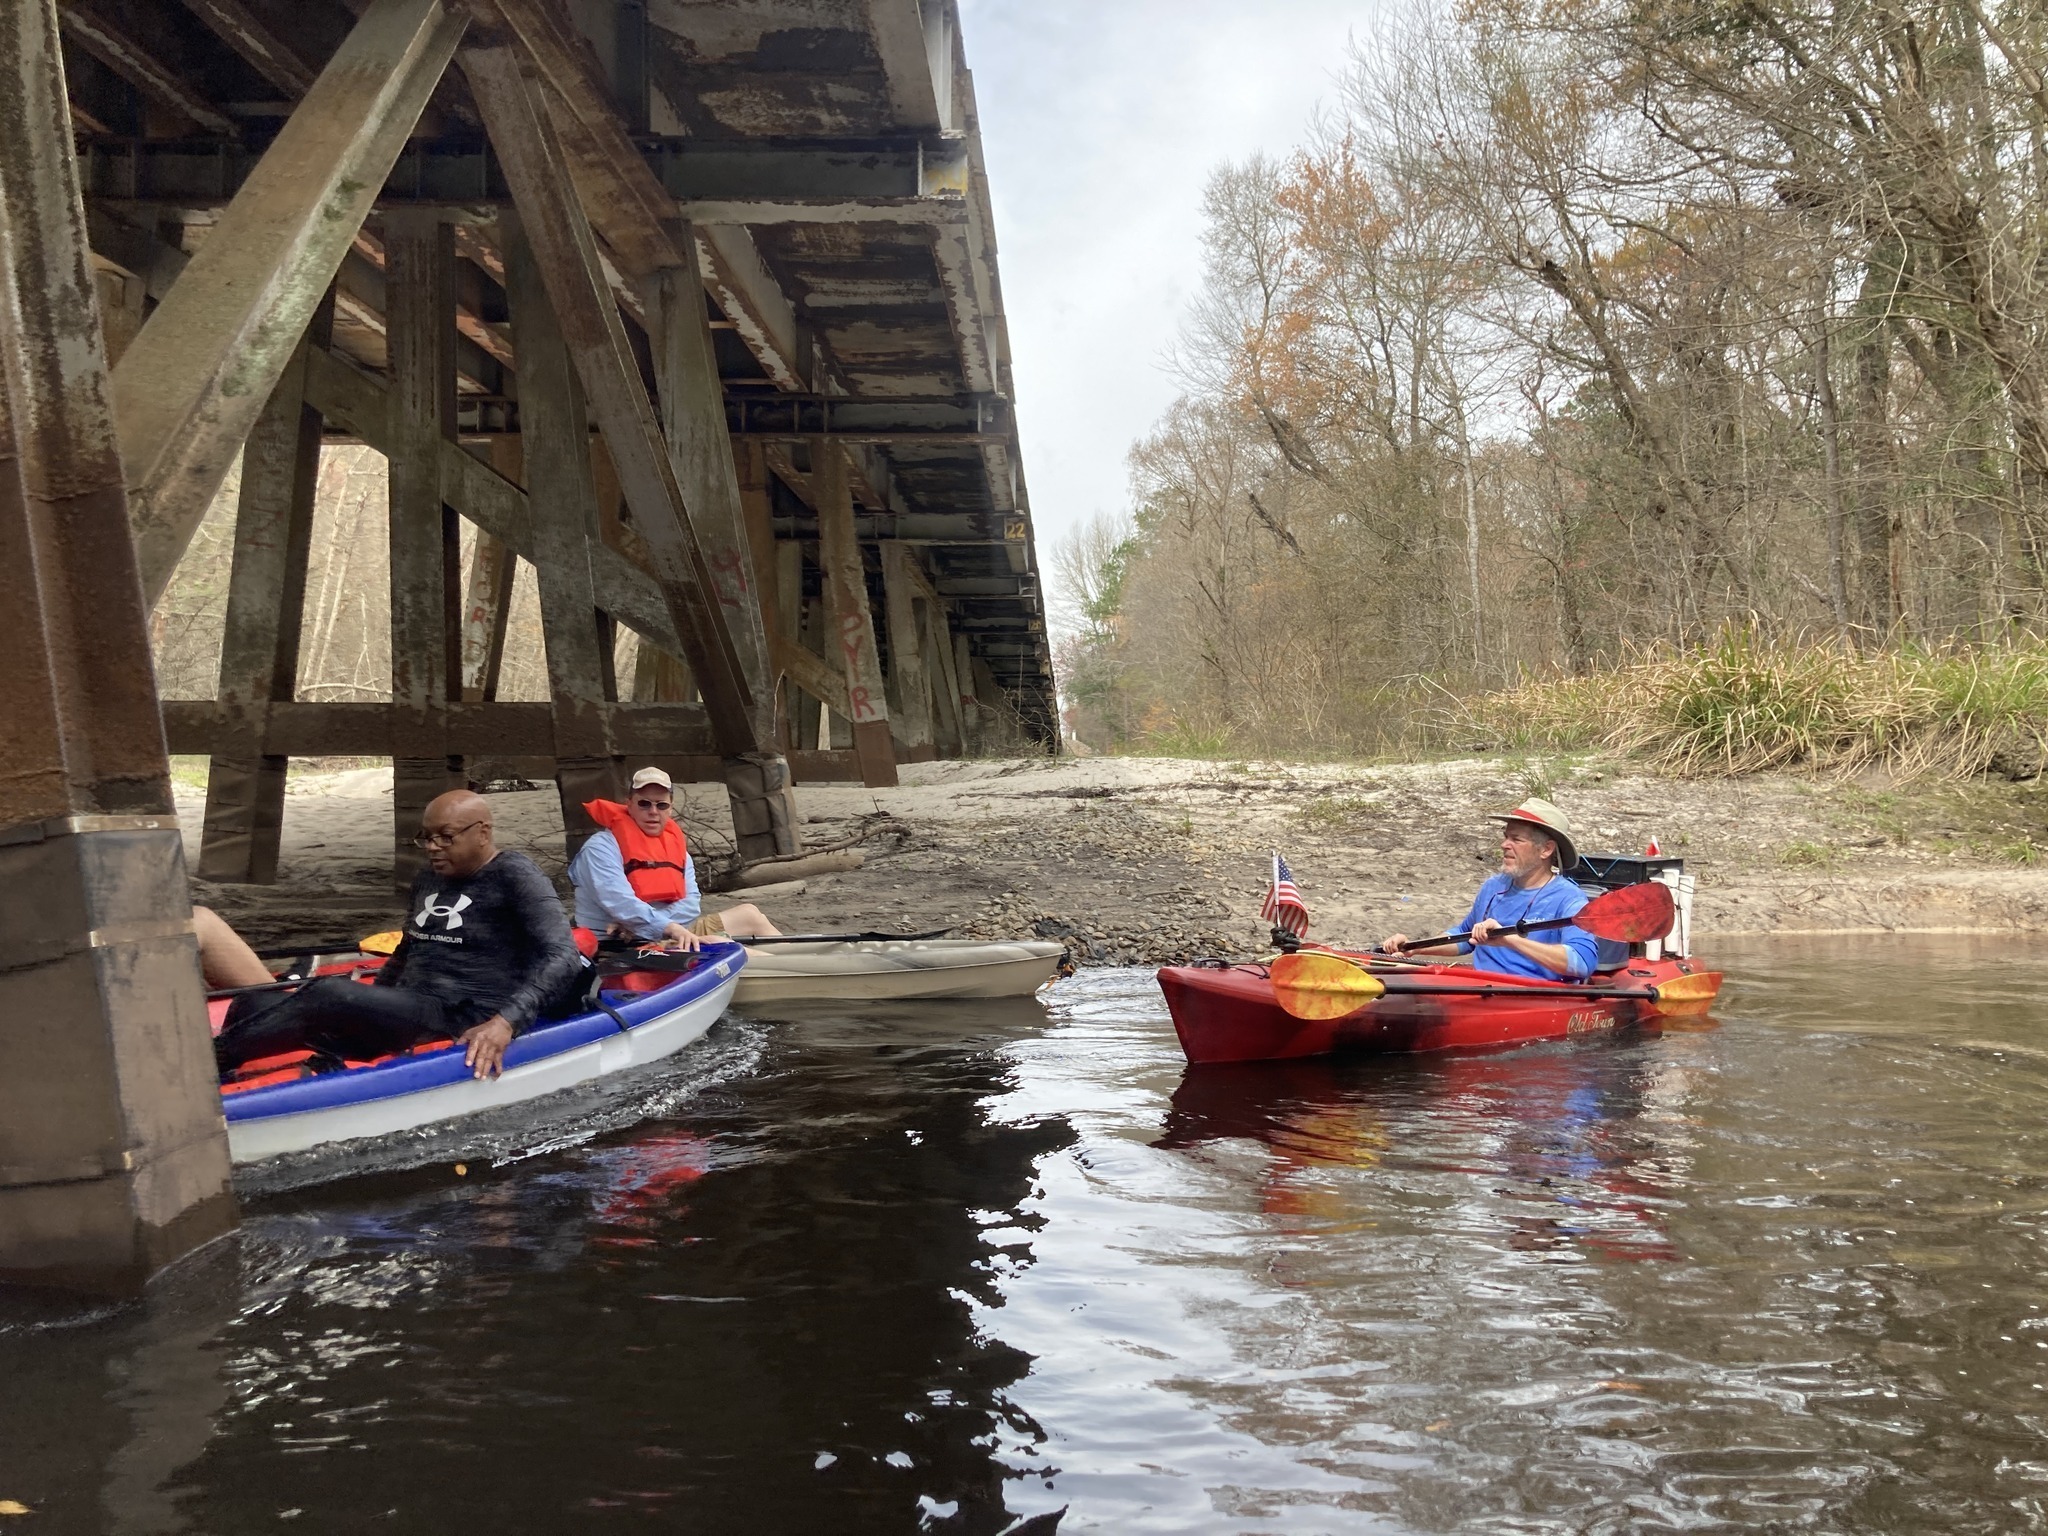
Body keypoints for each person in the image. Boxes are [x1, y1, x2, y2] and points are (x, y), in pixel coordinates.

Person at [213, 790, 588, 1081]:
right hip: (408, 1006)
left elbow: (562, 955)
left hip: (460, 1014)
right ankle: (242, 1071)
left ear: (483, 833)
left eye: (446, 837)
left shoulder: (515, 875)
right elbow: (408, 949)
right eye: (426, 838)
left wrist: (505, 1022)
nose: (433, 848)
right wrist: (369, 1002)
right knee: (251, 1003)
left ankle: (209, 1063)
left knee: (329, 993)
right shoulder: (429, 878)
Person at [1383, 797, 1599, 981]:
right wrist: (1414, 947)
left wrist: (1509, 940)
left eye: (1516, 839)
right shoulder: (1493, 887)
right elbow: (1464, 937)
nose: (1504, 845)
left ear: (1546, 849)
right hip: (1484, 990)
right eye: (1506, 836)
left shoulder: (1569, 899)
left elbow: (1582, 962)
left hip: (1535, 996)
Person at [567, 767, 781, 951]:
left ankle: (803, 960)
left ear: (670, 807)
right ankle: (798, 975)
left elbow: (690, 904)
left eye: (661, 805)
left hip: (663, 933)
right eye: (644, 804)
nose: (653, 811)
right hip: (617, 947)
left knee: (749, 914)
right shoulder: (600, 849)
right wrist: (664, 927)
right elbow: (621, 903)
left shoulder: (675, 850)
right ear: (629, 804)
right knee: (722, 945)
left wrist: (655, 926)